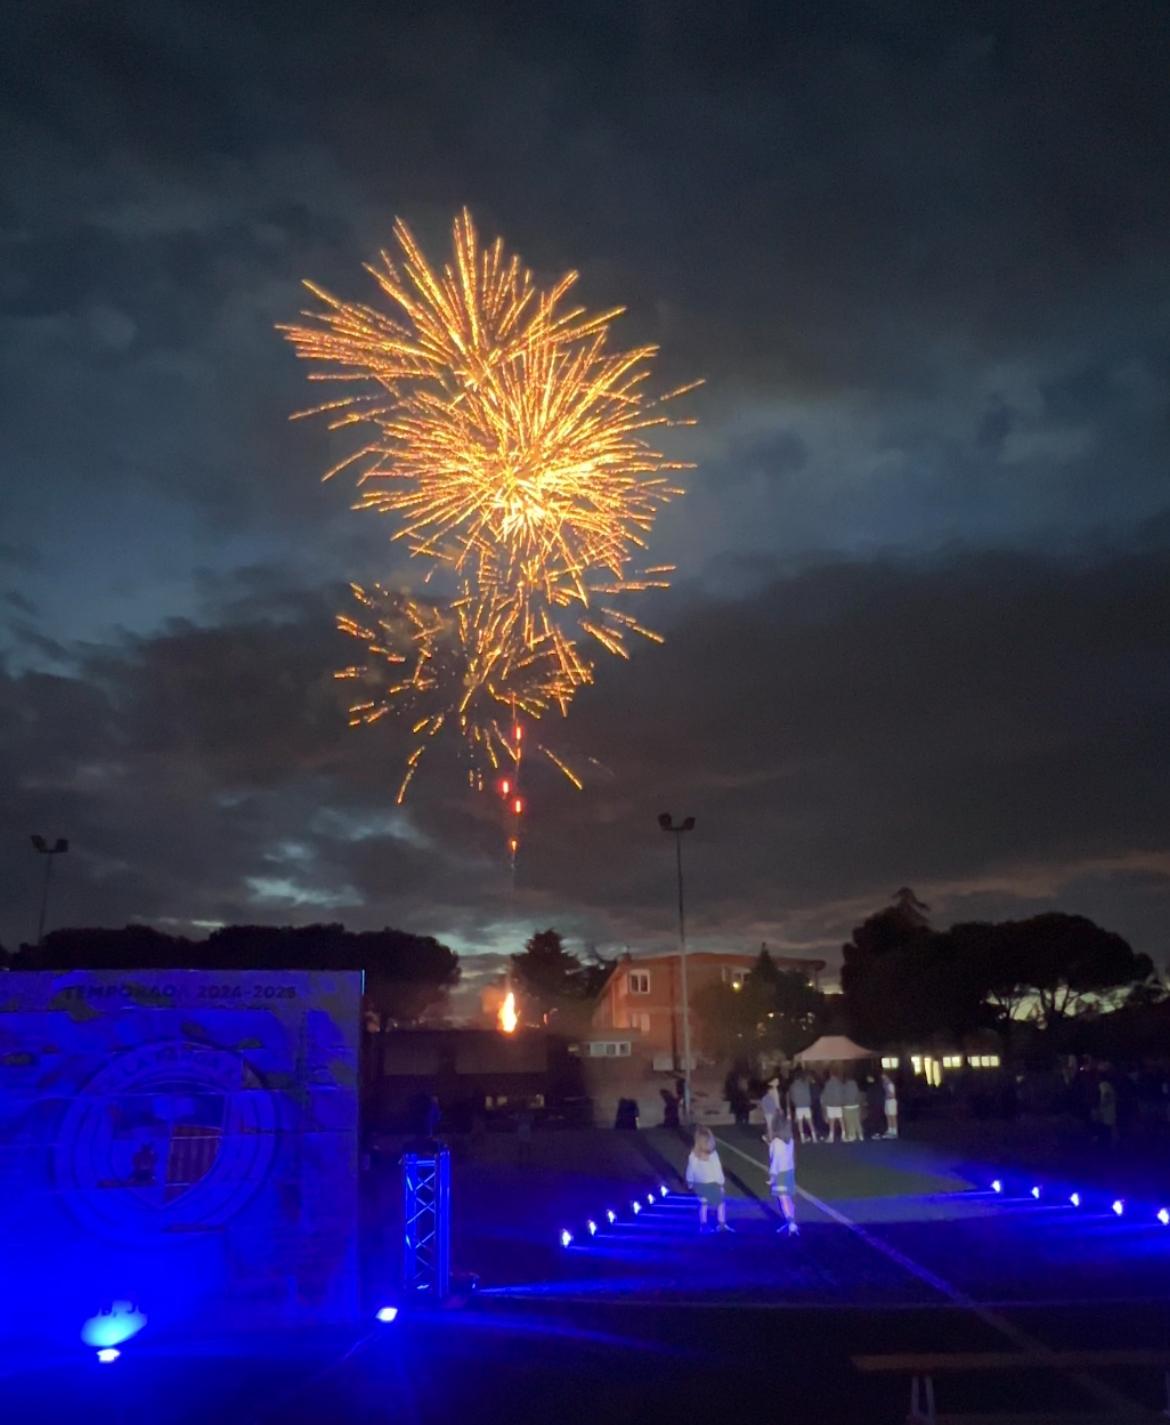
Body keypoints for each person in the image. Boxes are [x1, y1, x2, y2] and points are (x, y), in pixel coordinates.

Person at [686, 1125, 732, 1232]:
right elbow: (717, 1171)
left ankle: (703, 1224)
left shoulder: (693, 1155)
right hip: (712, 1185)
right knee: (721, 1203)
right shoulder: (713, 1155)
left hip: (699, 1185)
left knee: (703, 1204)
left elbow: (690, 1170)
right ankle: (721, 1224)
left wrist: (690, 1182)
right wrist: (721, 1184)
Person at [767, 1115, 799, 1235]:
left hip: (780, 1174)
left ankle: (790, 1223)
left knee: (783, 1199)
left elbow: (775, 1160)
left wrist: (772, 1176)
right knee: (789, 1198)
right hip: (789, 1172)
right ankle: (792, 1221)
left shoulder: (776, 1142)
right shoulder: (790, 1139)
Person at [789, 1069, 817, 1142]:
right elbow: (809, 1092)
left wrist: (795, 1103)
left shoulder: (792, 1086)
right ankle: (814, 1137)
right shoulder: (805, 1084)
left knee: (800, 1122)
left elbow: (792, 1096)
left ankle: (802, 1138)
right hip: (806, 1105)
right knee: (810, 1121)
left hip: (798, 1106)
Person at [821, 1069, 845, 1143]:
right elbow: (843, 1093)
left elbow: (824, 1095)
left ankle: (831, 1136)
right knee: (841, 1120)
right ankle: (844, 1135)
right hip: (838, 1104)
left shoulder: (828, 1084)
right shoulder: (840, 1084)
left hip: (830, 1105)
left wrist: (824, 1105)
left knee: (832, 1121)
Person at [842, 1074, 862, 1143]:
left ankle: (852, 1135)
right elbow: (858, 1095)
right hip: (855, 1106)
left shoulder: (844, 1086)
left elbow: (843, 1096)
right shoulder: (855, 1086)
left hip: (847, 1106)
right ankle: (860, 1135)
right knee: (857, 1121)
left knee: (849, 1122)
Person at [882, 1071, 899, 1138]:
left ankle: (894, 1131)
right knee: (888, 1115)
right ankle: (890, 1130)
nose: (882, 1077)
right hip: (887, 1101)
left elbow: (892, 1094)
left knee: (892, 1116)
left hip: (891, 1101)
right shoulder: (885, 1083)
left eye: (884, 1075)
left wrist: (887, 1094)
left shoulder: (890, 1084)